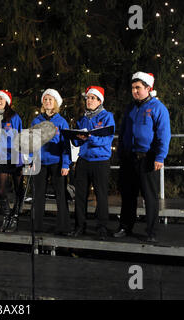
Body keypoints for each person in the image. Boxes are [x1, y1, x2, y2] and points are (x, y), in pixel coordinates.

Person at [114, 72, 171, 243]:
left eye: (138, 88)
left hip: (148, 158)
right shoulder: (130, 107)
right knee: (128, 194)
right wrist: (120, 152)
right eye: (132, 88)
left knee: (149, 196)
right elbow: (123, 131)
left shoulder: (158, 107)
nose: (134, 91)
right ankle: (125, 226)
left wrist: (160, 157)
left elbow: (164, 134)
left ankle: (151, 231)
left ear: (148, 88)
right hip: (129, 158)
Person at [70, 86, 115, 240]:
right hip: (83, 160)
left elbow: (107, 139)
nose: (89, 100)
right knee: (80, 195)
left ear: (99, 100)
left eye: (92, 98)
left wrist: (89, 137)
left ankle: (102, 227)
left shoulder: (107, 117)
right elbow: (77, 142)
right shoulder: (83, 118)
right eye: (87, 98)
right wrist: (73, 137)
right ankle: (79, 226)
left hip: (100, 161)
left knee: (101, 195)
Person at [30, 89, 72, 235]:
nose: (47, 102)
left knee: (60, 194)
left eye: (50, 99)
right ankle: (38, 225)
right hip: (40, 162)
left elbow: (66, 145)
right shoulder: (36, 121)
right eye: (45, 99)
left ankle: (63, 226)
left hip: (56, 162)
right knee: (39, 194)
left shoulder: (61, 121)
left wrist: (66, 164)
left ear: (55, 102)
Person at [0, 90, 24, 233]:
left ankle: (15, 218)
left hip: (15, 156)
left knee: (18, 189)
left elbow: (20, 136)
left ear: (6, 101)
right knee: (1, 190)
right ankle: (6, 216)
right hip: (1, 157)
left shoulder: (15, 117)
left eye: (1, 99)